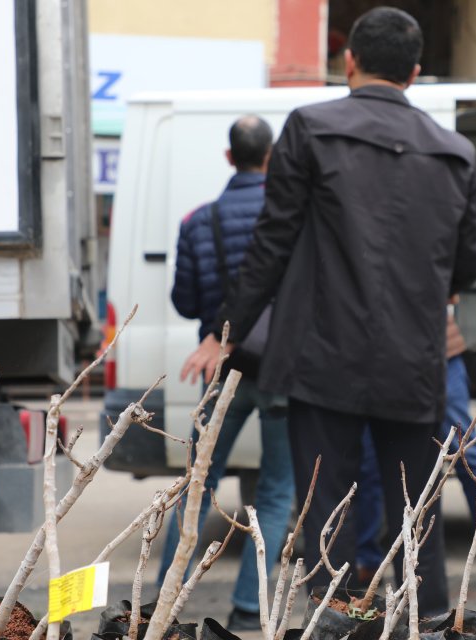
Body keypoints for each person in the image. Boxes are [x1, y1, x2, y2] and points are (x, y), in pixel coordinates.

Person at [184, 7, 476, 617]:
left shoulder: (310, 128)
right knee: (417, 515)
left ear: (350, 62)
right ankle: (426, 624)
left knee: (329, 515)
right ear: (415, 73)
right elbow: (468, 264)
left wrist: (225, 333)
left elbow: (271, 243)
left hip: (322, 357)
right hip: (414, 358)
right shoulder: (456, 153)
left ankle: (333, 623)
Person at [162, 115, 294, 632]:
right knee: (277, 490)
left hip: (221, 369)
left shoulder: (199, 221)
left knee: (198, 484)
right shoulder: (292, 217)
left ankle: (165, 602)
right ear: (272, 157)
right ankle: (248, 607)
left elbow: (184, 300)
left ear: (228, 157)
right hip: (281, 370)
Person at [354, 304, 476, 592]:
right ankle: (366, 557)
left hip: (434, 349)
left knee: (464, 450)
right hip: (376, 356)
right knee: (369, 459)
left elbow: (458, 277)